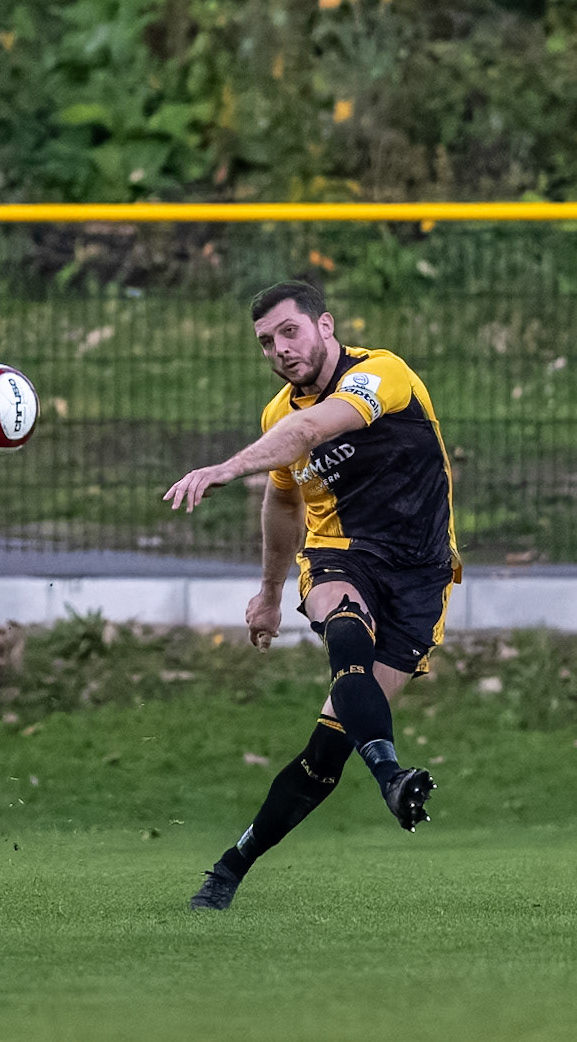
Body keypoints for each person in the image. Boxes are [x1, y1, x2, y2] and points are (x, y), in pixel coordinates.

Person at [163, 280, 462, 911]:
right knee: (345, 631)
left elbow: (313, 429)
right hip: (341, 555)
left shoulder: (382, 374)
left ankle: (230, 865)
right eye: (266, 341)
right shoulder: (277, 414)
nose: (279, 349)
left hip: (421, 575)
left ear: (325, 326)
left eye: (289, 331)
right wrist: (270, 593)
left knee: (325, 753)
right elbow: (283, 497)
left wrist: (225, 468)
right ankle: (392, 777)